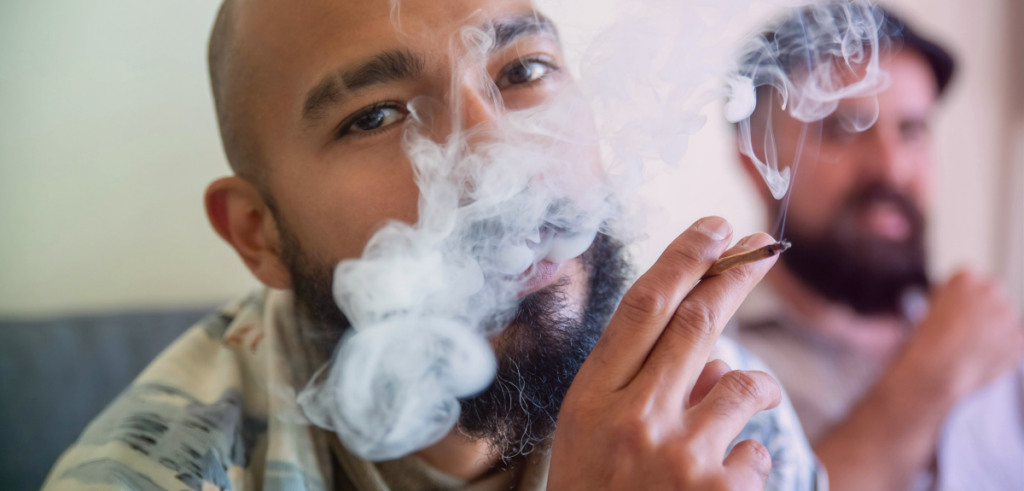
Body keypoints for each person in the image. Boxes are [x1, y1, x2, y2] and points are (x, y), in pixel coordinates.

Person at [41, 0, 825, 490]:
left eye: (523, 69)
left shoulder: (712, 411)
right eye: (376, 116)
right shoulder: (146, 475)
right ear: (259, 233)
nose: (499, 166)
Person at [729, 7, 1024, 491]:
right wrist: (931, 377)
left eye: (911, 131)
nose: (891, 168)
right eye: (843, 129)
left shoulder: (996, 339)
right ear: (757, 160)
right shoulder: (708, 367)